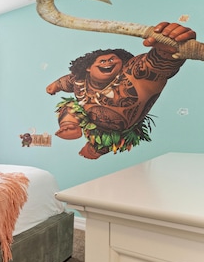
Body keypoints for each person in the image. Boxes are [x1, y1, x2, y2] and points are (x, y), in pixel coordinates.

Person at [46, 22, 197, 159]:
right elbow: (67, 81)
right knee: (69, 108)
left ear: (123, 63)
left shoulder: (133, 75)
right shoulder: (80, 80)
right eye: (102, 61)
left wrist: (167, 52)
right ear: (88, 68)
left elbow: (153, 67)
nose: (107, 62)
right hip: (87, 119)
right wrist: (55, 86)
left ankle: (94, 150)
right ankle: (69, 126)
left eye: (112, 59)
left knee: (99, 147)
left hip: (116, 131)